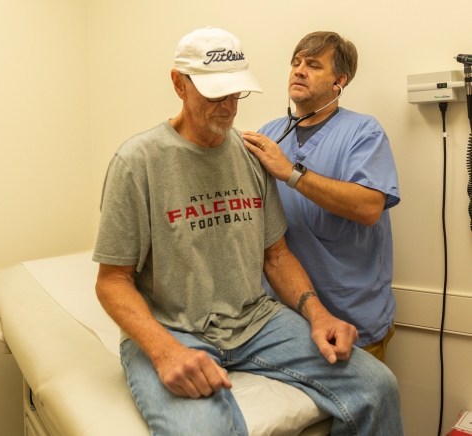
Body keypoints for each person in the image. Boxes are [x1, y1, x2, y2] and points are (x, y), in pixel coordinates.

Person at [93, 26, 404, 435]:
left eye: (235, 92)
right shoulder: (137, 162)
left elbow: (275, 254)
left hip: (256, 322)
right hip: (176, 328)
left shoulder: (251, 154)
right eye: (213, 92)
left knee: (378, 385)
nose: (227, 106)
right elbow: (112, 281)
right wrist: (164, 349)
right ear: (178, 84)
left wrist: (317, 314)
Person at [242, 31, 400, 363]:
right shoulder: (270, 134)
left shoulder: (363, 132)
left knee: (357, 412)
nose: (299, 71)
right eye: (296, 63)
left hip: (352, 319)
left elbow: (370, 207)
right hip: (284, 318)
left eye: (313, 65)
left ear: (339, 81)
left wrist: (290, 172)